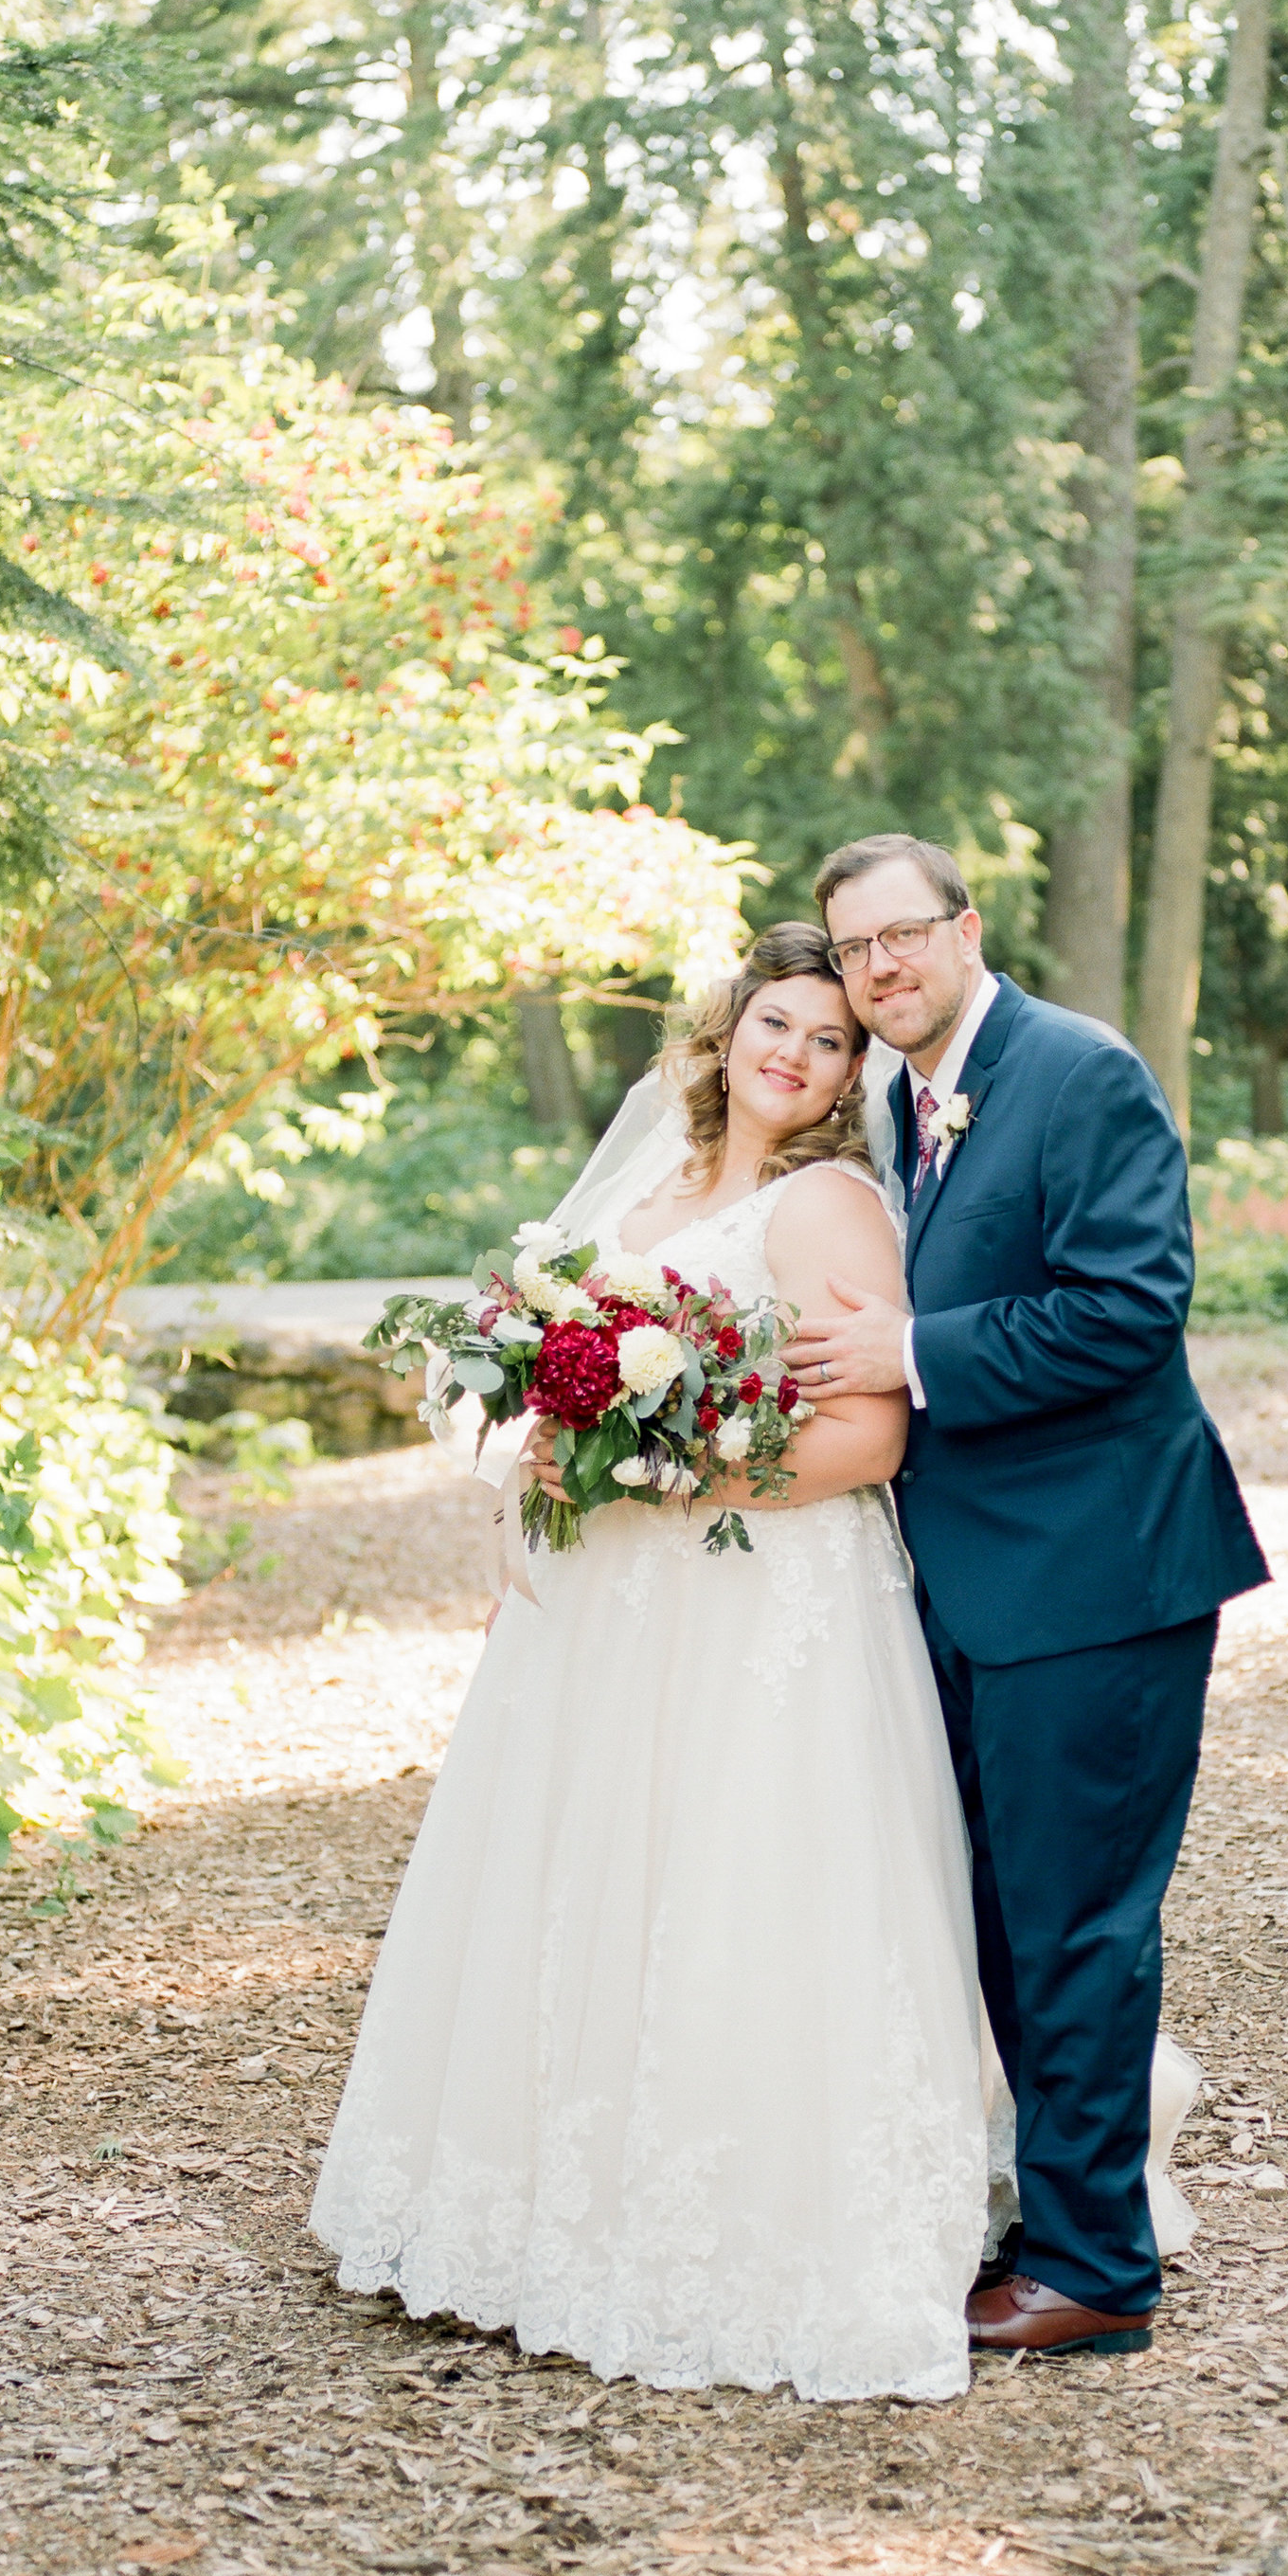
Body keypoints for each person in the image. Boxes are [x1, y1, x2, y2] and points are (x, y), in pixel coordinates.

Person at [310, 922, 991, 2400]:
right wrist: (562, 1462)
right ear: (730, 1029)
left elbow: (869, 1438)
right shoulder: (655, 1191)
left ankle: (736, 2223)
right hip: (606, 1606)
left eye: (829, 1042)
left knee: (733, 1877)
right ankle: (552, 2202)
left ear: (851, 1074)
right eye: (778, 1025)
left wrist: (682, 1477)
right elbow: (570, 1391)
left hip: (759, 1608)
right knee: (583, 1879)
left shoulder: (828, 1208)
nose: (795, 1057)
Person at [783, 836, 1269, 2360]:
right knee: (1001, 1920)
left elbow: (1129, 1308)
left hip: (1102, 1576)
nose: (882, 968)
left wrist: (910, 1354)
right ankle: (1048, 2210)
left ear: (966, 928)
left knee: (1077, 1928)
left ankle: (1097, 2271)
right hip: (986, 1581)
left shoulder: (1078, 1071)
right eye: (856, 949)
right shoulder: (902, 1104)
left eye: (906, 934)